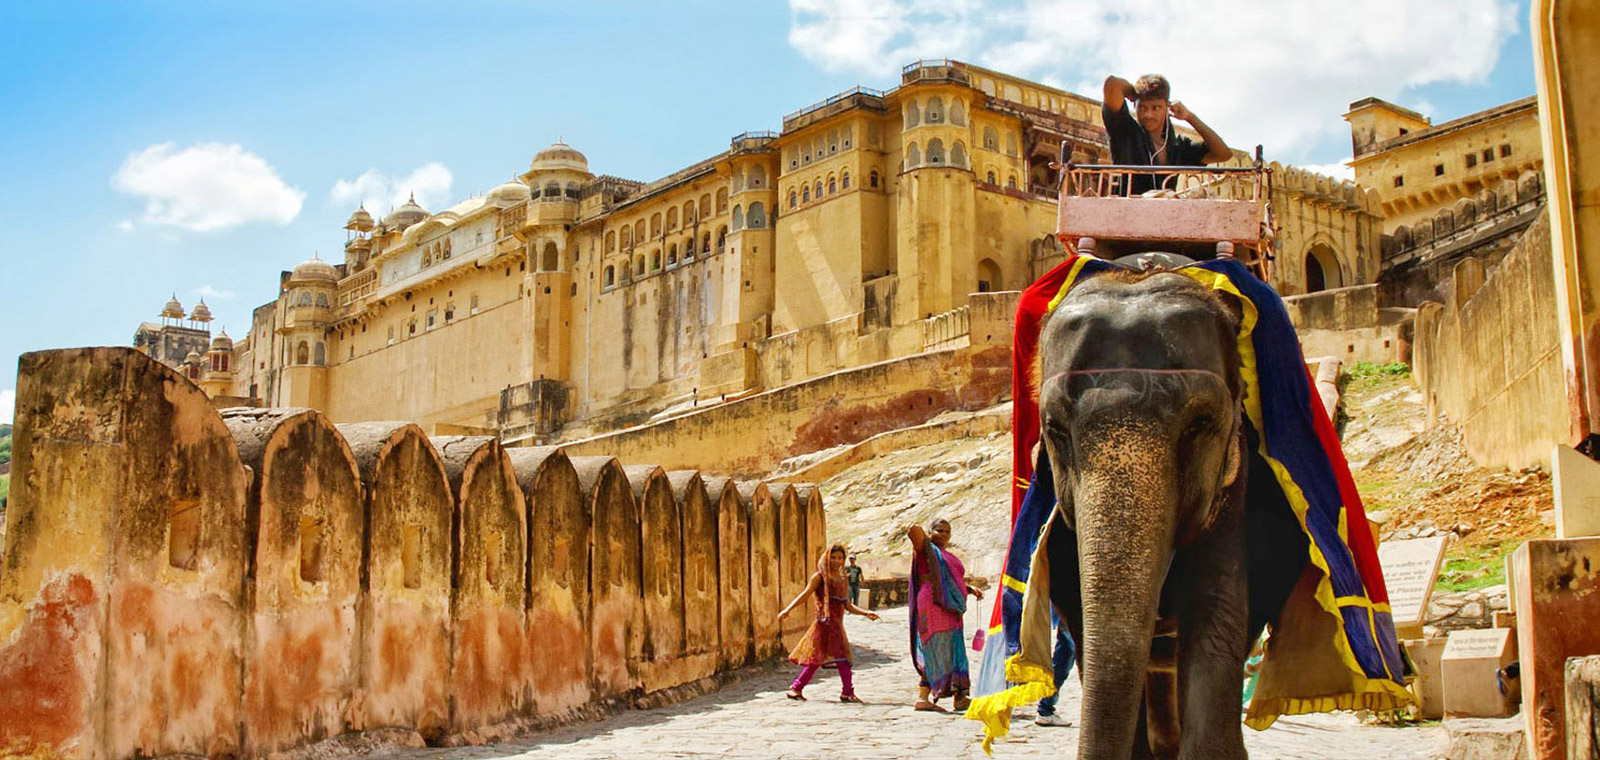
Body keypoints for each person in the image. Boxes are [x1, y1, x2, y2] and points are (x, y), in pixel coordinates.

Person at [778, 543, 880, 702]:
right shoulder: (819, 577)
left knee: (816, 658)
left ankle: (796, 688)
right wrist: (788, 610)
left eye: (839, 558)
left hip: (837, 623)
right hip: (825, 622)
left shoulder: (842, 578)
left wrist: (866, 613)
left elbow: (847, 605)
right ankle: (847, 692)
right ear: (827, 557)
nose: (836, 561)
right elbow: (805, 594)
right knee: (842, 656)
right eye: (833, 557)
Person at [1101, 74, 1232, 195]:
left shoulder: (1179, 147)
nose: (1148, 115)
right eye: (1142, 108)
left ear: (1167, 107)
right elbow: (1112, 84)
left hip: (1165, 215)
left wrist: (1190, 117)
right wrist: (1134, 93)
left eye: (1156, 108)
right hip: (1125, 214)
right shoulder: (1125, 131)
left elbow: (1223, 154)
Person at [907, 518, 983, 712]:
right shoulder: (926, 550)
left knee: (954, 648)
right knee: (934, 646)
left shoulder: (946, 556)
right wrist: (925, 537)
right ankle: (922, 697)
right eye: (939, 530)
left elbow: (946, 580)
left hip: (950, 607)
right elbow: (913, 531)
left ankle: (960, 696)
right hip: (932, 605)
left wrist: (968, 589)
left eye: (947, 532)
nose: (943, 534)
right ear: (930, 532)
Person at [1034, 611, 1076, 726]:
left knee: (1063, 659)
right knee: (1085, 659)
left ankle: (1045, 709)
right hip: (1076, 612)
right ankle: (1045, 708)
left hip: (1066, 611)